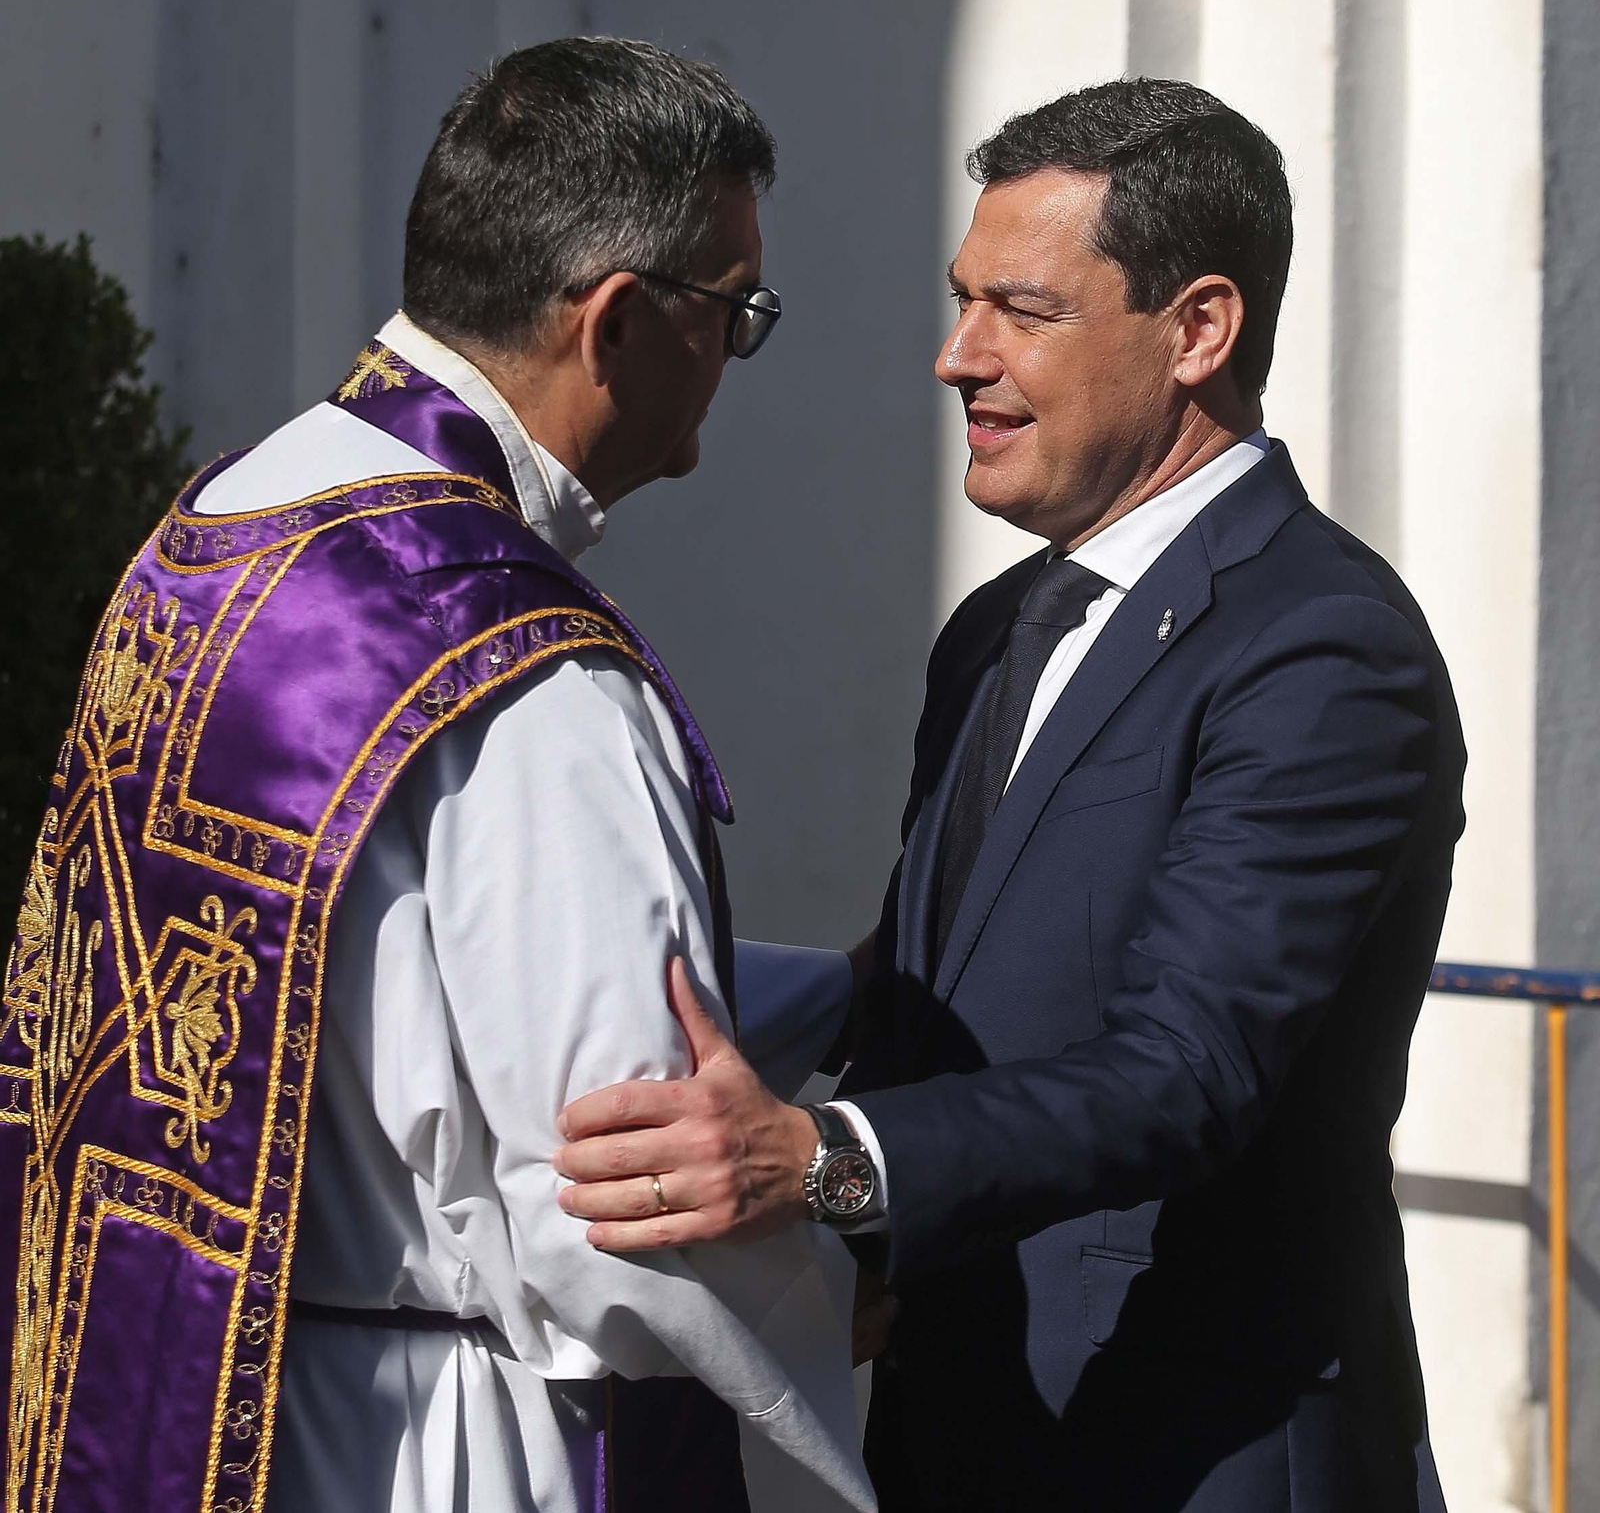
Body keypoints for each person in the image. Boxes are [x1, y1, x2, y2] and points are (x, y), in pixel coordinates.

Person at [554, 78, 1462, 1511]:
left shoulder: (1321, 647)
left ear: (1199, 331)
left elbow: (1189, 1069)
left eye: (1020, 312)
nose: (954, 357)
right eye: (961, 301)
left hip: (1195, 1461)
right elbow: (944, 982)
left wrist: (822, 1166)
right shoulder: (1000, 628)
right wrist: (653, 989)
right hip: (965, 1437)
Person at [0, 39, 873, 1513]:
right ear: (614, 323)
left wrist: (850, 992)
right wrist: (870, 1261)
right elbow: (622, 1197)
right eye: (734, 310)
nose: (734, 351)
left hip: (188, 1392)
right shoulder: (532, 676)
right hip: (441, 1443)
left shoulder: (227, 527)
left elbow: (371, 976)